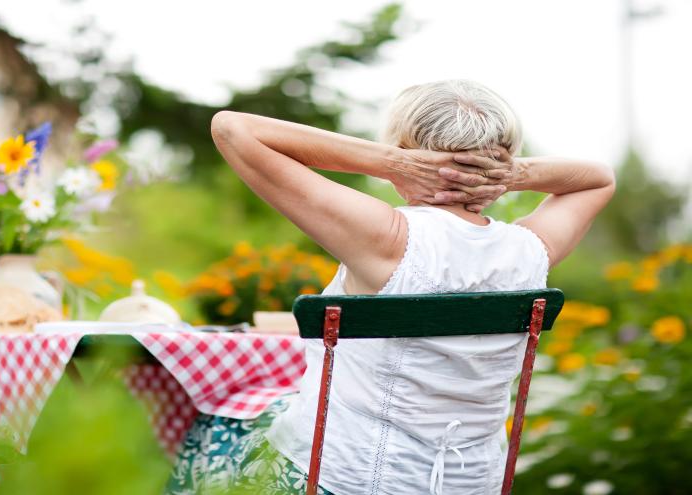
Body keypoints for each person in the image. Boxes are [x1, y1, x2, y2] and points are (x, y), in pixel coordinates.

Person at [165, 80, 615, 495]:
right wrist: (508, 174)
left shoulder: (385, 236)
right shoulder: (530, 249)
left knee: (216, 425)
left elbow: (232, 128)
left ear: (405, 152)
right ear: (505, 156)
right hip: (474, 483)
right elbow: (598, 178)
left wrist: (390, 162)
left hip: (348, 477)